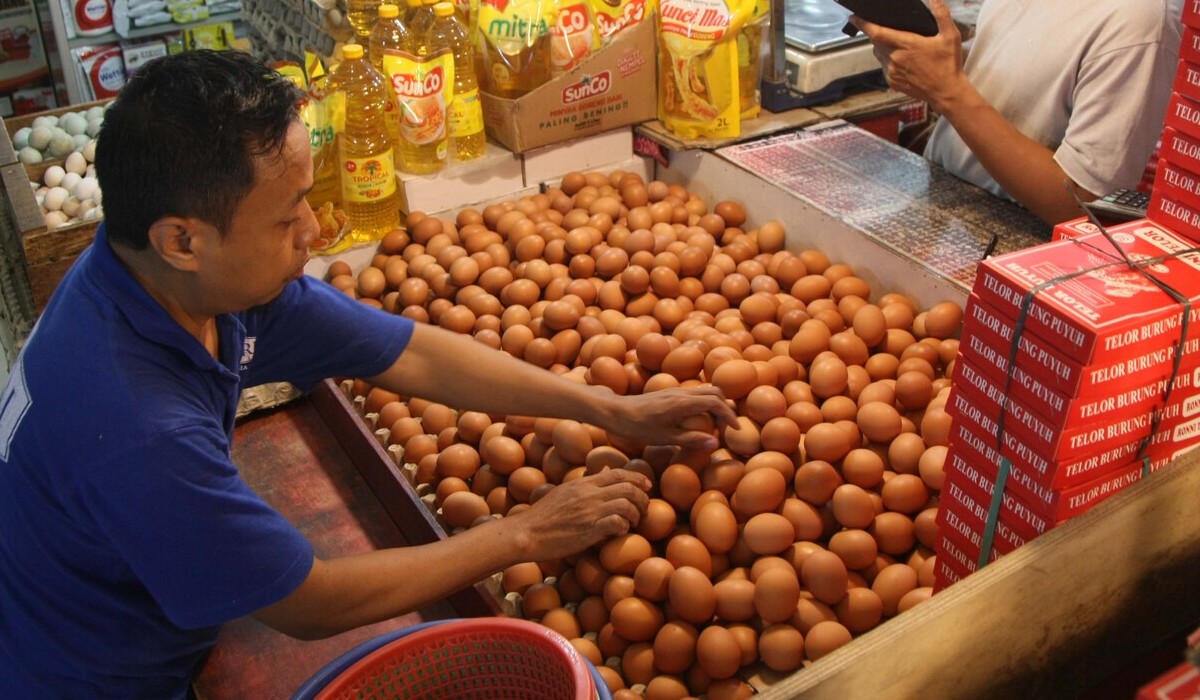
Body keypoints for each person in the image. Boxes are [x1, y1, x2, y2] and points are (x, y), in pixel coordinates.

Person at [0, 50, 736, 698]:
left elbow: (405, 350)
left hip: (133, 593)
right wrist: (522, 535)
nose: (316, 234)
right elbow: (307, 602)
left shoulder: (165, 282)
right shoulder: (137, 429)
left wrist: (607, 407)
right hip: (92, 675)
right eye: (290, 215)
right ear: (183, 239)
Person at [851, 0, 1182, 225]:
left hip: (1018, 249)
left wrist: (947, 90)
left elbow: (1084, 205)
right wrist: (937, 63)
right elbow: (1023, 71)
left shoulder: (1141, 23)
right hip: (946, 203)